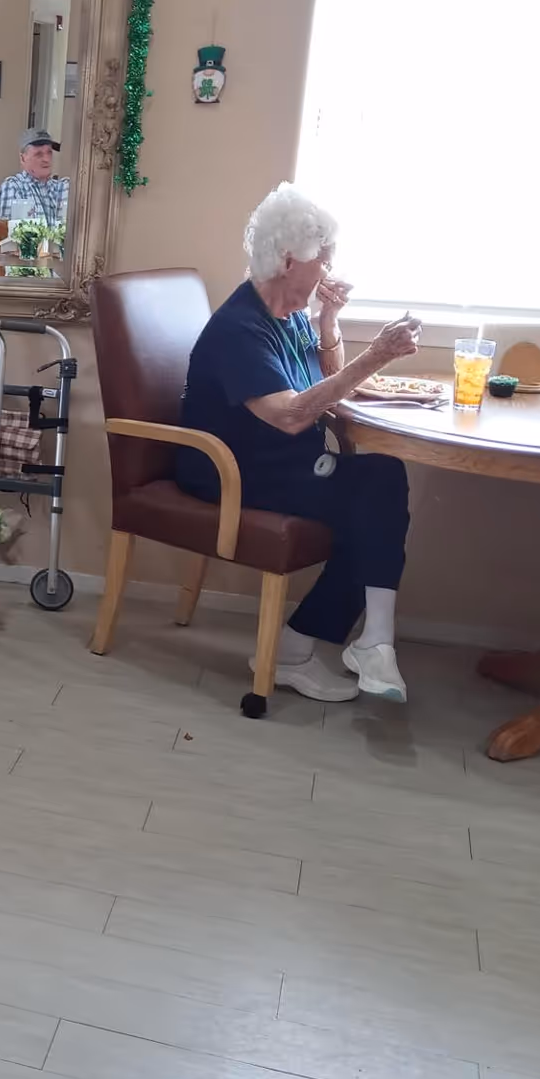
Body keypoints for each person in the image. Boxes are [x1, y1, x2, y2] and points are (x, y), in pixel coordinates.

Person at [178, 183, 423, 703]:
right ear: (290, 259)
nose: (330, 269)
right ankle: (353, 645)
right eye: (324, 257)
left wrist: (330, 322)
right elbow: (291, 416)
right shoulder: (240, 328)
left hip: (283, 464)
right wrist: (378, 355)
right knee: (376, 494)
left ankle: (345, 645)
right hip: (237, 473)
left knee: (379, 485)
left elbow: (328, 385)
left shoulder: (289, 316)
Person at [0, 128, 69, 228]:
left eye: (49, 152)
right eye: (39, 154)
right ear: (23, 158)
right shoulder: (13, 187)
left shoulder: (62, 188)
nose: (46, 159)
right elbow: (2, 237)